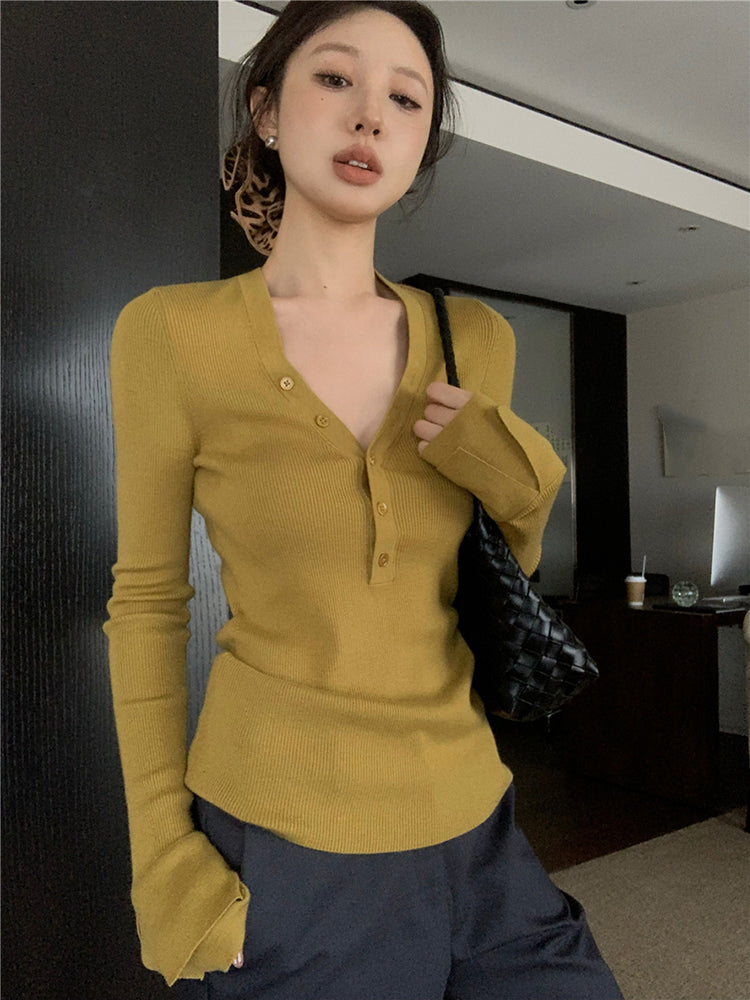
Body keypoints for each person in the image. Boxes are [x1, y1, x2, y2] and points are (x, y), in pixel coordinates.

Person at [104, 3, 623, 997]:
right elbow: (147, 606)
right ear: (266, 111)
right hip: (288, 843)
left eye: (406, 98)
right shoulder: (170, 333)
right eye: (336, 78)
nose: (370, 116)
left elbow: (500, 576)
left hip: (480, 822)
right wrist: (163, 857)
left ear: (422, 143)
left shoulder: (476, 338)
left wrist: (520, 473)